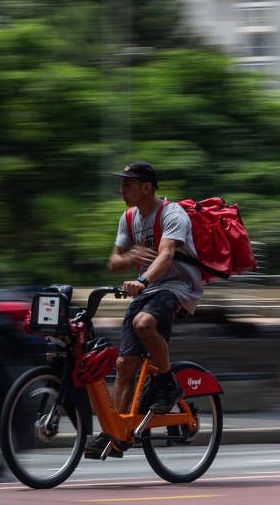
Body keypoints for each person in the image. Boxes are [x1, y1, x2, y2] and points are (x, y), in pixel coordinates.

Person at [84, 160, 203, 459]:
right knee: (124, 365)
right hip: (147, 289)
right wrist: (132, 258)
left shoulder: (172, 214)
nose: (121, 190)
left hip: (177, 287)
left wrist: (141, 279)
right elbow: (114, 263)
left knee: (144, 323)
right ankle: (114, 433)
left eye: (127, 184)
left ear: (146, 187)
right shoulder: (128, 218)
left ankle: (168, 384)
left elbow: (166, 255)